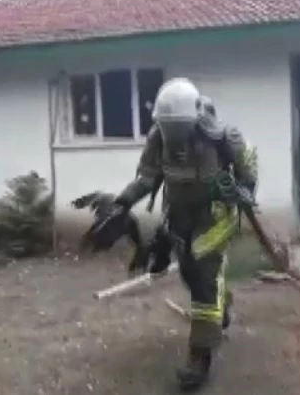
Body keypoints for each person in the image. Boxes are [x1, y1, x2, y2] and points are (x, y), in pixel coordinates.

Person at [94, 78, 257, 391]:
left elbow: (248, 164)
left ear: (194, 118)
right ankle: (222, 306)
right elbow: (147, 178)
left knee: (204, 274)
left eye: (177, 127)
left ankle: (200, 356)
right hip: (178, 215)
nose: (172, 135)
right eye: (167, 127)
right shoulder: (158, 137)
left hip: (214, 215)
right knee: (189, 274)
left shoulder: (222, 136)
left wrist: (245, 190)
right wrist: (122, 203)